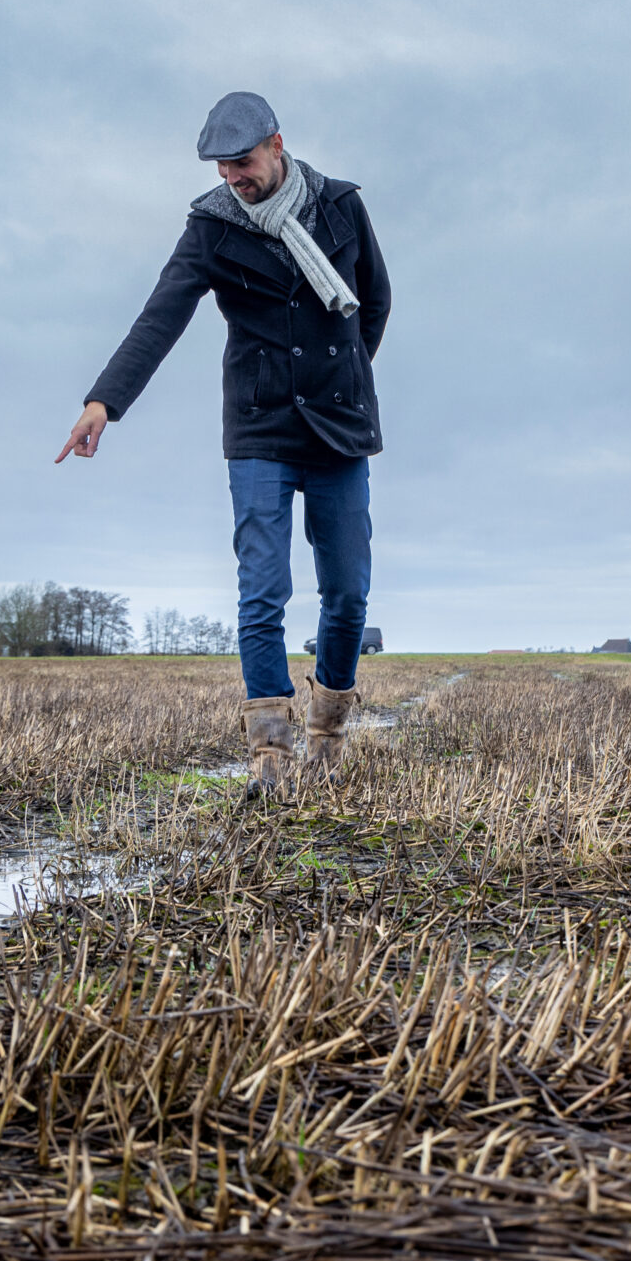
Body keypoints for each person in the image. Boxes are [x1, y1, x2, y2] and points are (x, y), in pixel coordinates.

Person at [60, 92, 390, 791]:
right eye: (222, 169)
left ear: (276, 144)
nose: (233, 179)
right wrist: (103, 403)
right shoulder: (211, 228)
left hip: (338, 424)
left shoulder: (340, 205)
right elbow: (161, 317)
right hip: (260, 426)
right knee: (262, 589)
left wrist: (346, 375)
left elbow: (375, 300)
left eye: (242, 163)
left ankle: (328, 733)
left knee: (349, 595)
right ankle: (270, 753)